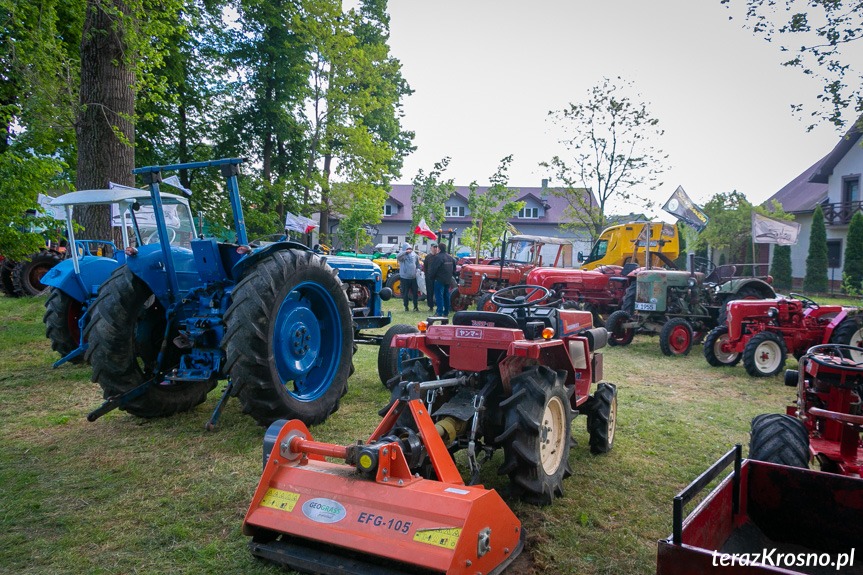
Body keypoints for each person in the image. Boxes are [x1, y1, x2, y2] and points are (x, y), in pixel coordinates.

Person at [428, 242, 457, 316]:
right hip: (448, 280)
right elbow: (454, 269)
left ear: (439, 248)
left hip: (439, 280)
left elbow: (434, 268)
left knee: (439, 296)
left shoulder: (438, 257)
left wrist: (431, 277)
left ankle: (439, 312)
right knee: (446, 295)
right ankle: (446, 311)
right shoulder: (450, 258)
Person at [397, 242, 420, 312]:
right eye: (407, 249)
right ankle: (406, 307)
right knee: (405, 293)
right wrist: (405, 252)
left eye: (410, 248)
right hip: (404, 278)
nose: (409, 250)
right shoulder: (402, 256)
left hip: (413, 278)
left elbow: (418, 265)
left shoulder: (415, 256)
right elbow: (397, 257)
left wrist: (418, 270)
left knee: (415, 293)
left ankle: (415, 307)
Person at [424, 243, 438, 312]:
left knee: (438, 292)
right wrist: (427, 275)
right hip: (429, 277)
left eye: (436, 247)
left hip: (437, 277)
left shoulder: (439, 256)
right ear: (431, 248)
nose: (435, 248)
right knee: (429, 292)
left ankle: (439, 306)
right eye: (434, 247)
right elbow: (425, 267)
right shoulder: (428, 257)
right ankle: (430, 306)